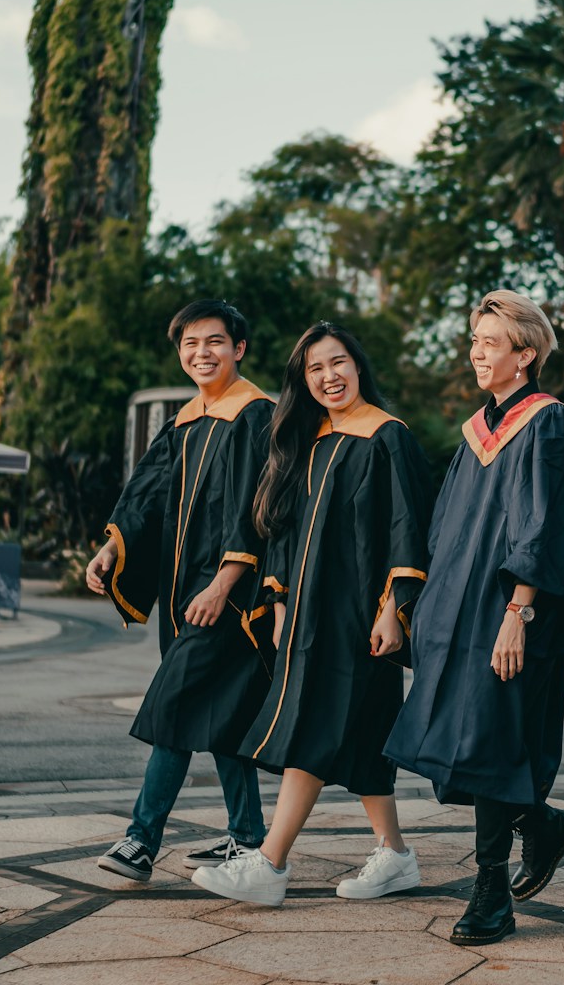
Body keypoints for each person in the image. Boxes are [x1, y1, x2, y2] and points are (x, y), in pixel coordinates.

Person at [192, 322, 435, 908]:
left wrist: (394, 610)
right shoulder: (312, 439)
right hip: (306, 613)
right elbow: (286, 530)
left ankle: (269, 864)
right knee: (363, 733)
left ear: (358, 365)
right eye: (314, 369)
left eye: (338, 362)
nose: (329, 377)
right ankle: (396, 855)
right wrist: (277, 601)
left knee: (314, 726)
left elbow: (408, 527)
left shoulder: (386, 435)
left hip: (356, 615)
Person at [384, 290, 564, 947]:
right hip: (458, 619)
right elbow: (446, 528)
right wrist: (410, 608)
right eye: (474, 341)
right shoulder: (480, 429)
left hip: (506, 619)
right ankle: (543, 824)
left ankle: (491, 892)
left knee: (494, 747)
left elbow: (547, 525)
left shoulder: (548, 423)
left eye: (491, 343)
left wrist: (519, 612)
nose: (477, 352)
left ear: (525, 354)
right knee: (462, 746)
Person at [83, 299, 276, 882]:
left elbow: (257, 508)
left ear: (238, 349)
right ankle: (247, 836)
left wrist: (223, 583)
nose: (201, 354)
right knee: (217, 714)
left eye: (214, 342)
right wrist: (112, 546)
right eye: (190, 345)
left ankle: (141, 840)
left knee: (172, 706)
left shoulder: (255, 415)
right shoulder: (187, 418)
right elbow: (146, 495)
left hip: (227, 596)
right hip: (180, 594)